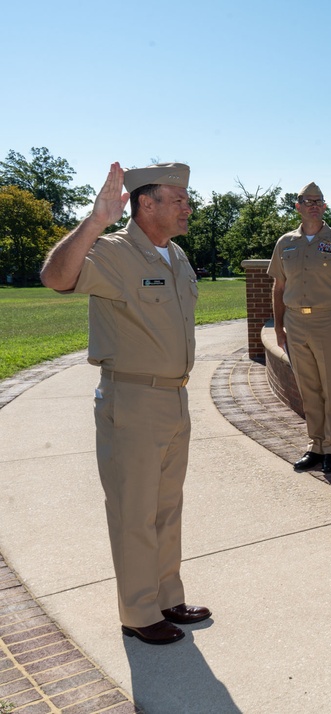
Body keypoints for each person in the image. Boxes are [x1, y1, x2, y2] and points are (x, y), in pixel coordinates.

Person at [40, 162, 212, 646]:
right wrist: (95, 222)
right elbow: (55, 278)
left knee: (166, 507)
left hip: (175, 398)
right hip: (133, 399)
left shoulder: (175, 256)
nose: (187, 206)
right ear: (146, 203)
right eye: (177, 199)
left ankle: (166, 596)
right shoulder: (114, 252)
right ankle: (138, 614)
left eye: (186, 198)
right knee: (133, 511)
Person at [268, 182, 331, 475]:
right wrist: (279, 328)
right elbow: (278, 287)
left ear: (325, 206)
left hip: (328, 322)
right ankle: (315, 446)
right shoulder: (285, 243)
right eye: (306, 201)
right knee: (308, 389)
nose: (313, 204)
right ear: (297, 207)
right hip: (295, 324)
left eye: (318, 201)